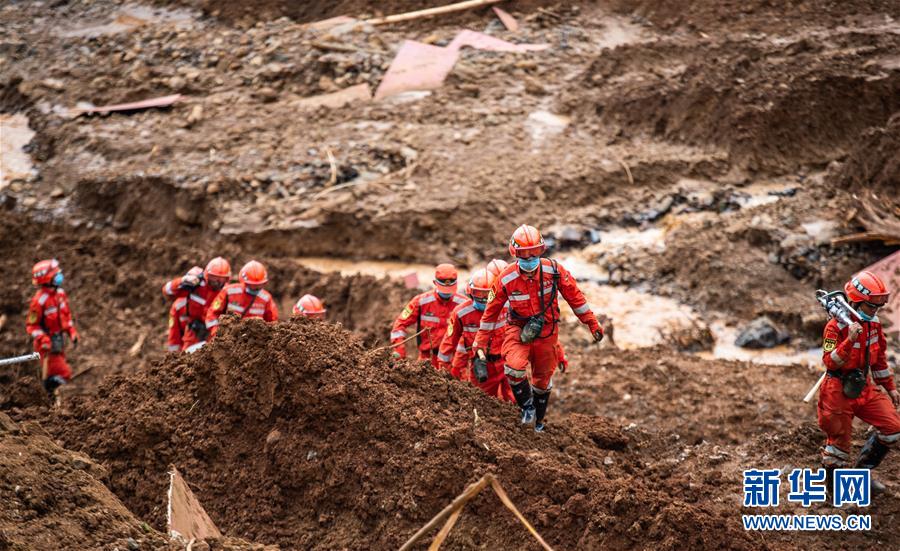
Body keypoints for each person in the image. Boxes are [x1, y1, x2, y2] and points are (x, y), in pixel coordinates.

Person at [473, 225, 604, 432]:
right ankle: (527, 408)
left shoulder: (554, 271)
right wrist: (480, 343)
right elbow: (490, 313)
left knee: (543, 381)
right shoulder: (506, 279)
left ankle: (539, 424)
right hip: (517, 329)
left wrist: (591, 322)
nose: (530, 258)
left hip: (548, 333)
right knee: (513, 368)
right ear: (515, 254)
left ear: (542, 250)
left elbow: (575, 297)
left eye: (534, 253)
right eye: (524, 255)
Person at [818, 270, 900, 489]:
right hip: (837, 389)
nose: (875, 311)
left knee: (893, 429)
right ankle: (835, 492)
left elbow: (879, 360)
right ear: (856, 302)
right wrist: (849, 341)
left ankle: (861, 474)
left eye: (877, 307)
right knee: (838, 448)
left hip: (863, 385)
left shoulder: (873, 325)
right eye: (871, 306)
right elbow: (829, 361)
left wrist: (890, 388)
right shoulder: (834, 328)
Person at [439, 268, 514, 401]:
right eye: (479, 294)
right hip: (482, 365)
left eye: (487, 295)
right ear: (471, 293)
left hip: (508, 361)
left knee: (516, 402)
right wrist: (443, 370)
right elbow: (449, 342)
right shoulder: (461, 313)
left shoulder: (507, 306)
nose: (484, 299)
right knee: (482, 403)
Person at [390, 263, 466, 368]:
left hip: (454, 362)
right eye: (444, 289)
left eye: (450, 289)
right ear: (435, 283)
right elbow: (399, 325)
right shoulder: (421, 301)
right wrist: (399, 351)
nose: (447, 293)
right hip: (426, 361)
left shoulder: (463, 304)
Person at [26, 259, 80, 399]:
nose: (59, 275)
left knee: (58, 374)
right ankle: (47, 394)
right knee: (63, 373)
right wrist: (44, 339)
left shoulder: (60, 294)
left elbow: (66, 316)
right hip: (46, 346)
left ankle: (52, 396)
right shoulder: (39, 301)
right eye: (56, 273)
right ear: (46, 278)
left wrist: (72, 332)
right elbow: (32, 326)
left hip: (58, 341)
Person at [163, 258, 231, 351]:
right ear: (207, 275)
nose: (216, 282)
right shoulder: (196, 285)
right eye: (213, 278)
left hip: (213, 331)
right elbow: (167, 291)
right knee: (186, 357)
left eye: (220, 279)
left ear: (227, 279)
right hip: (194, 330)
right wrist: (182, 281)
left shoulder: (227, 293)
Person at [204, 260, 278, 338]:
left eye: (259, 285)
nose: (255, 288)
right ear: (244, 281)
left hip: (253, 342)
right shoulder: (229, 291)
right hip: (227, 337)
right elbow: (212, 313)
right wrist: (217, 333)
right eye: (252, 285)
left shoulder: (266, 298)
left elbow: (272, 323)